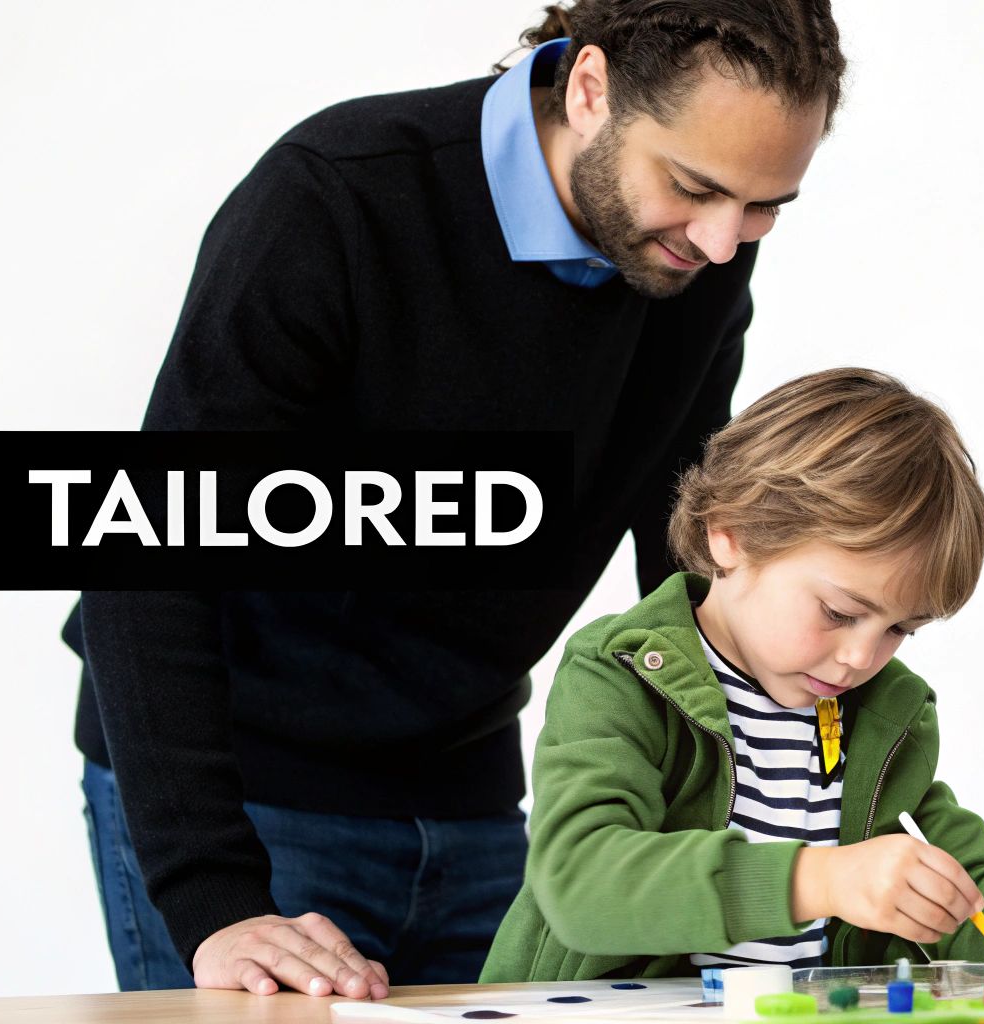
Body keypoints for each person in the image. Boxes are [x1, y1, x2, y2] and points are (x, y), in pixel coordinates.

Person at [65, 0, 846, 998]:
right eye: (694, 187)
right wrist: (214, 897)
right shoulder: (337, 199)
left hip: (470, 789)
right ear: (592, 89)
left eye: (764, 206)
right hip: (247, 791)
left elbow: (684, 547)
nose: (723, 241)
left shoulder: (696, 255)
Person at [480, 369, 984, 982]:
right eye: (840, 612)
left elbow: (962, 895)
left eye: (899, 630)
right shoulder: (622, 671)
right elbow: (582, 882)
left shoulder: (881, 716)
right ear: (730, 533)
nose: (863, 659)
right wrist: (820, 878)